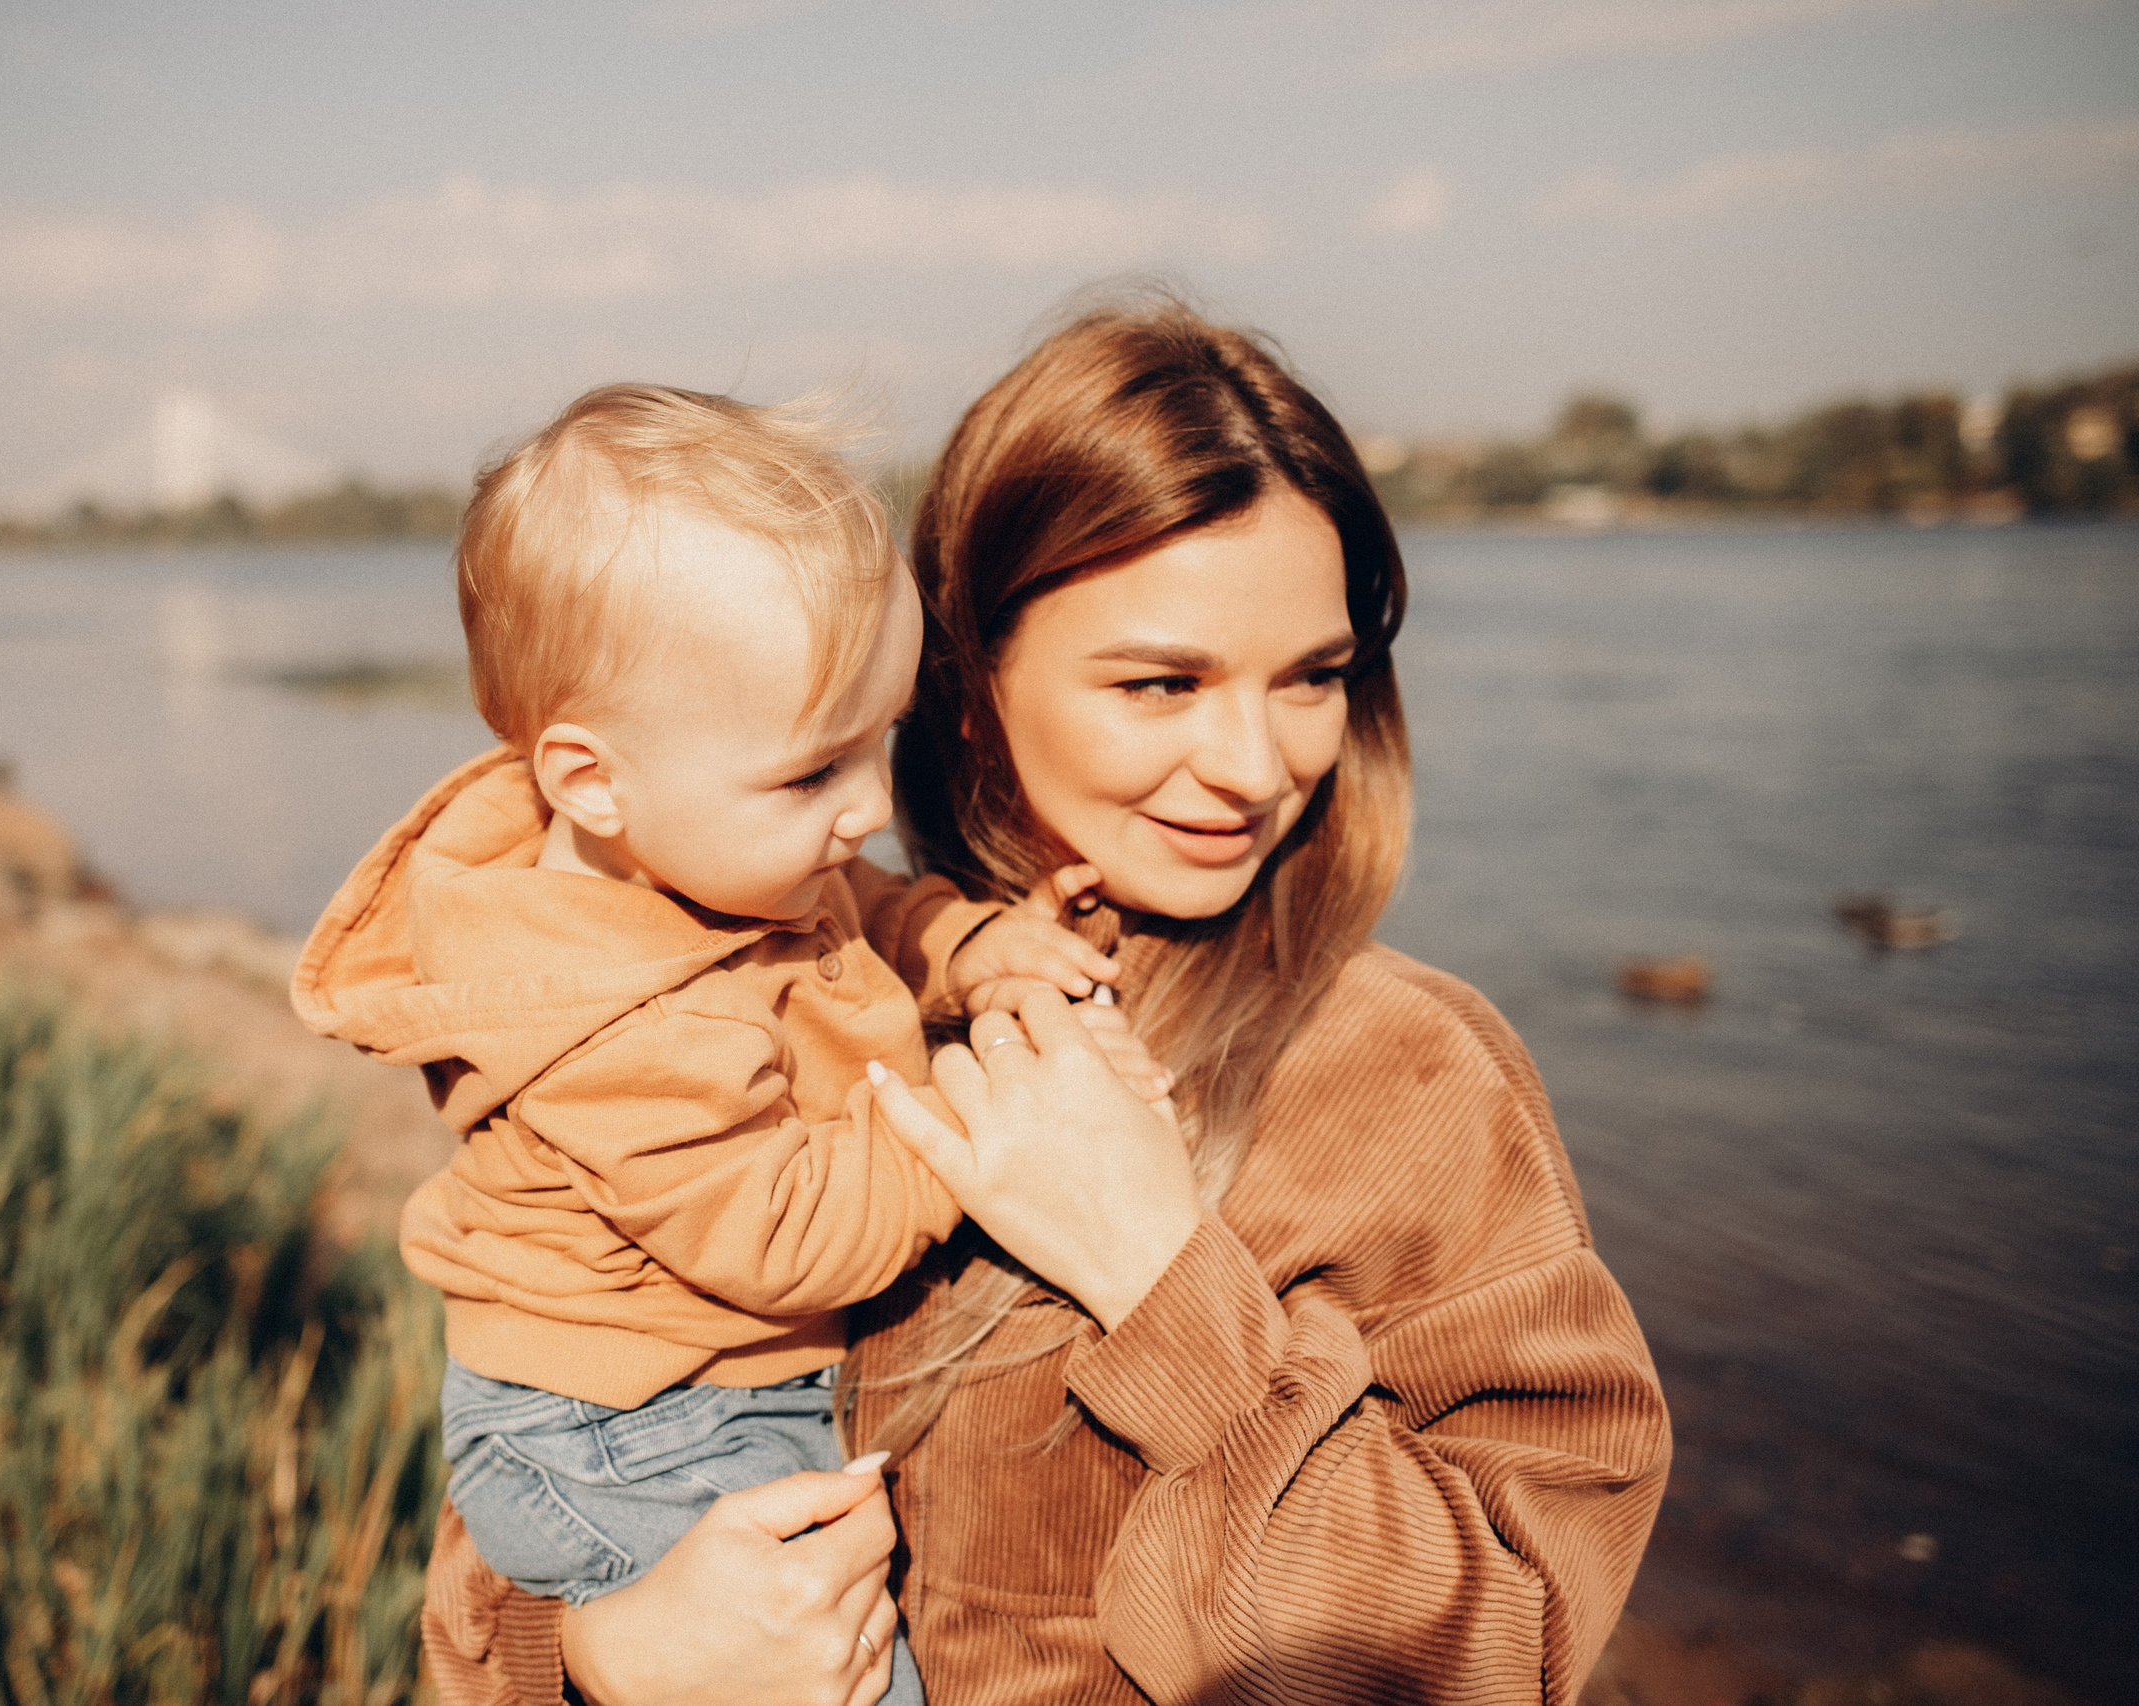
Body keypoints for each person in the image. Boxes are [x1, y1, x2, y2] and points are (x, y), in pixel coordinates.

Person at [411, 301, 1673, 1706]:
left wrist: (1159, 1277)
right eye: (1162, 681)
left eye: (1315, 675)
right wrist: (610, 1659)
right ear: (965, 688)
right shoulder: (794, 973)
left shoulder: (1406, 1075)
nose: (1257, 764)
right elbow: (538, 1495)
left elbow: (1504, 1658)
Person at [291, 383, 1165, 1706]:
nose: (870, 807)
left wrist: (964, 946)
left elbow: (854, 906)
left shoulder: (710, 848)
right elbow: (789, 1234)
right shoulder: (616, 1020)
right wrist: (978, 1116)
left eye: (882, 745)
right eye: (816, 773)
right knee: (850, 1676)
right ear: (590, 779)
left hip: (691, 1388)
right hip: (625, 1436)